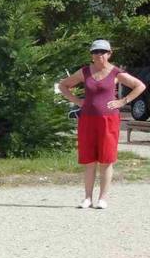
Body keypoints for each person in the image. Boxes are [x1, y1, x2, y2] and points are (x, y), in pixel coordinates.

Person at [57, 39, 144, 210]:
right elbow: (63, 85)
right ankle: (87, 198)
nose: (99, 55)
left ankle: (103, 198)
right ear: (91, 54)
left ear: (109, 53)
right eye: (95, 52)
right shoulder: (85, 72)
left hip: (109, 120)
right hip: (87, 120)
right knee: (89, 160)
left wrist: (123, 101)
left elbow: (139, 86)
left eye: (103, 52)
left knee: (106, 159)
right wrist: (77, 101)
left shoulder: (115, 72)